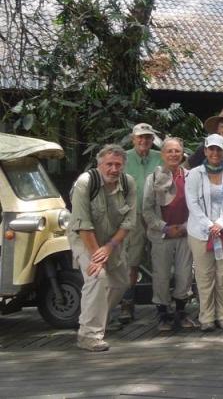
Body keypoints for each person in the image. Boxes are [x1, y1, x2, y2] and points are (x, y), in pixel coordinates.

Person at [68, 145, 136, 352]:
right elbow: (83, 224)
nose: (113, 169)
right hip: (84, 239)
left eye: (118, 165)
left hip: (112, 241)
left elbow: (129, 222)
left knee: (121, 282)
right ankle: (89, 335)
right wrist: (97, 256)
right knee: (97, 277)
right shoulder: (85, 183)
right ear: (99, 165)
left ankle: (96, 317)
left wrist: (109, 247)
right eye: (109, 164)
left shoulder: (128, 183)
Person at [186, 134, 223, 331]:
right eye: (211, 149)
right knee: (204, 276)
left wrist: (221, 223)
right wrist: (209, 224)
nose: (215, 153)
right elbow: (192, 202)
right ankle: (207, 317)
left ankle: (222, 315)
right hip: (200, 232)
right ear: (205, 151)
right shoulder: (195, 174)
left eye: (219, 149)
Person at [141, 137, 196, 332]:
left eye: (177, 151)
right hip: (162, 235)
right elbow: (147, 210)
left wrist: (185, 227)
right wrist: (164, 227)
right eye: (169, 151)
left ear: (182, 154)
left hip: (185, 233)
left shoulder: (191, 177)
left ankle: (181, 311)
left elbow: (198, 206)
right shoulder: (153, 178)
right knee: (161, 275)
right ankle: (163, 313)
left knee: (185, 274)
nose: (173, 154)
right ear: (162, 155)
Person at [120, 122, 162, 324]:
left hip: (157, 216)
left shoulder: (160, 157)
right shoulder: (123, 158)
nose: (144, 141)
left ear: (153, 139)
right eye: (140, 137)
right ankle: (127, 303)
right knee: (131, 262)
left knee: (161, 261)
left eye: (148, 137)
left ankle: (163, 304)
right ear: (133, 139)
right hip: (133, 216)